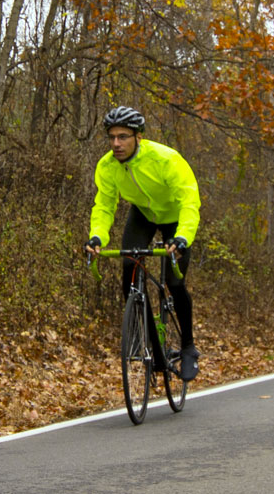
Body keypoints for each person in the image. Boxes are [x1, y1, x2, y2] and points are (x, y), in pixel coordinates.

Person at [84, 106, 202, 381]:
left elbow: (189, 201)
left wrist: (183, 236)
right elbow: (104, 206)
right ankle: (154, 351)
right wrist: (97, 236)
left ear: (138, 137)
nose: (116, 143)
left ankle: (188, 347)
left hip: (175, 217)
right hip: (144, 215)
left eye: (123, 136)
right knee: (129, 275)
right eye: (112, 137)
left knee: (175, 283)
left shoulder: (165, 159)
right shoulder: (108, 166)